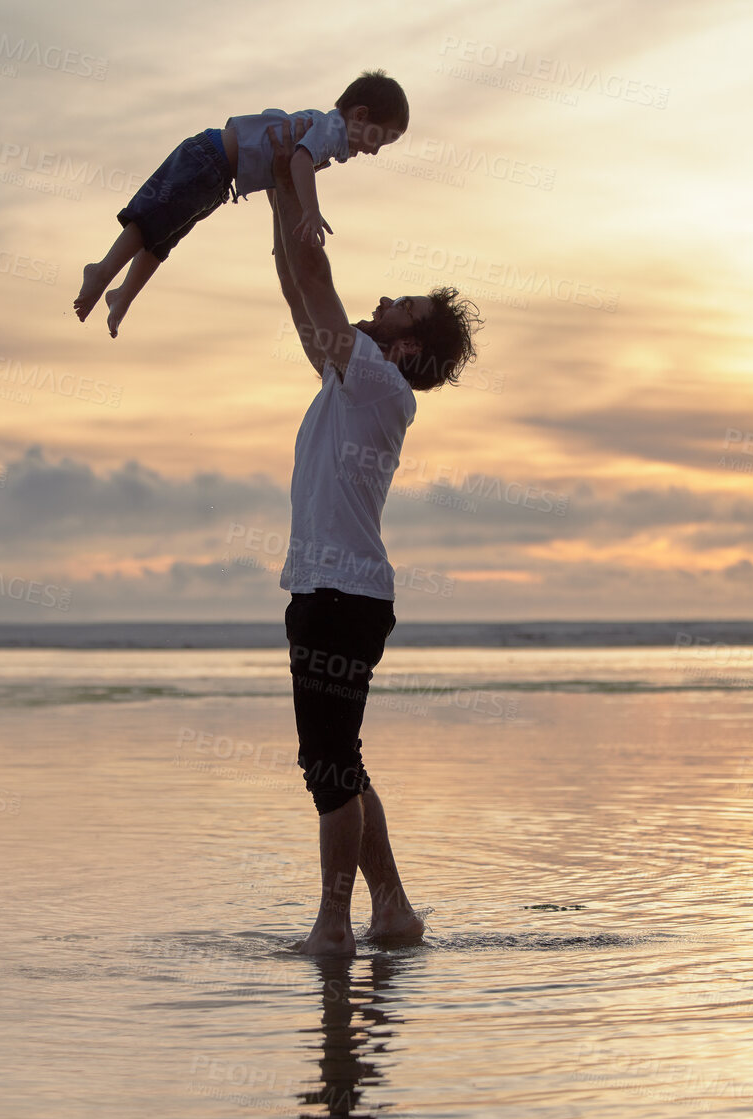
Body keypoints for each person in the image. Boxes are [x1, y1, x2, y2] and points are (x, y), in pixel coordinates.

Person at [265, 116, 483, 957]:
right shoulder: (355, 377)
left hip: (339, 598)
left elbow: (312, 267)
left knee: (326, 768)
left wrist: (297, 179)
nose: (385, 298)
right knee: (341, 760)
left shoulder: (379, 384)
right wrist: (275, 188)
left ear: (404, 344)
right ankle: (390, 908)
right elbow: (296, 285)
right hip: (333, 594)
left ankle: (333, 925)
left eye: (402, 305)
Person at [73, 70, 409, 337]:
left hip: (219, 175)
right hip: (211, 158)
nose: (376, 151)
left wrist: (286, 226)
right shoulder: (331, 131)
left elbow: (278, 176)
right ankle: (102, 270)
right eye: (380, 139)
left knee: (163, 236)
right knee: (151, 221)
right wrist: (310, 211)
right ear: (361, 115)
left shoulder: (322, 128)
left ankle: (122, 296)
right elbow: (299, 162)